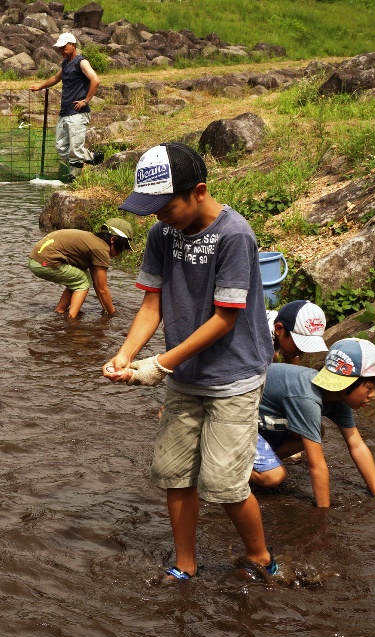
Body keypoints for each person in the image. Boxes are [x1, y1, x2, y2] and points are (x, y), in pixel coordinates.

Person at [102, 142, 275, 582]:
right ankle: (185, 565)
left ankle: (260, 558)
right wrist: (126, 354)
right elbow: (151, 305)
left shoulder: (235, 235)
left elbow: (224, 318)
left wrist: (159, 364)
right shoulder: (163, 235)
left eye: (167, 206)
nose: (160, 217)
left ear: (198, 191)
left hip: (233, 378)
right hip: (185, 375)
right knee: (174, 473)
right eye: (152, 209)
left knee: (225, 484)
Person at [250, 339, 375, 506]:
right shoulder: (307, 399)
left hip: (260, 419)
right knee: (273, 476)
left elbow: (357, 445)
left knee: (316, 432)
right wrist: (323, 516)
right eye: (369, 388)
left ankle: (258, 462)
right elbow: (317, 465)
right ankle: (221, 468)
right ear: (347, 383)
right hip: (235, 419)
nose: (372, 395)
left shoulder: (337, 398)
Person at [28, 32, 102, 181]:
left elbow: (95, 80)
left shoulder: (82, 62)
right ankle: (92, 157)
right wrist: (40, 87)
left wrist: (85, 101)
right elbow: (56, 78)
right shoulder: (66, 63)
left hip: (78, 112)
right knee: (61, 146)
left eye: (63, 47)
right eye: (59, 48)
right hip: (65, 112)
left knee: (75, 148)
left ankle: (74, 178)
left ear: (72, 45)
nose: (61, 50)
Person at [27, 220, 133, 318]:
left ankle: (60, 311)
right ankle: (72, 318)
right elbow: (103, 289)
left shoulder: (93, 242)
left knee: (76, 278)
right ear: (113, 240)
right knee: (83, 279)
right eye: (121, 249)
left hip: (35, 259)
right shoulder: (101, 249)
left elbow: (98, 286)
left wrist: (105, 309)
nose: (119, 253)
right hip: (45, 262)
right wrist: (112, 314)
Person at [267, 299, 328, 365]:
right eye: (300, 342)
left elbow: (293, 366)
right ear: (278, 329)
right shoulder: (260, 343)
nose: (303, 350)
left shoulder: (282, 320)